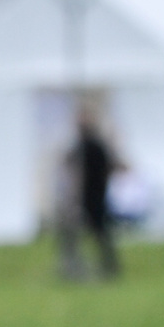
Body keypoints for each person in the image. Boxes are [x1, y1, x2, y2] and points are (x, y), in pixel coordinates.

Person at [59, 109, 121, 280]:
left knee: (100, 232)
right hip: (88, 196)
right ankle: (72, 265)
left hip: (93, 196)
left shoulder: (93, 146)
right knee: (81, 233)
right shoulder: (84, 146)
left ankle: (108, 266)